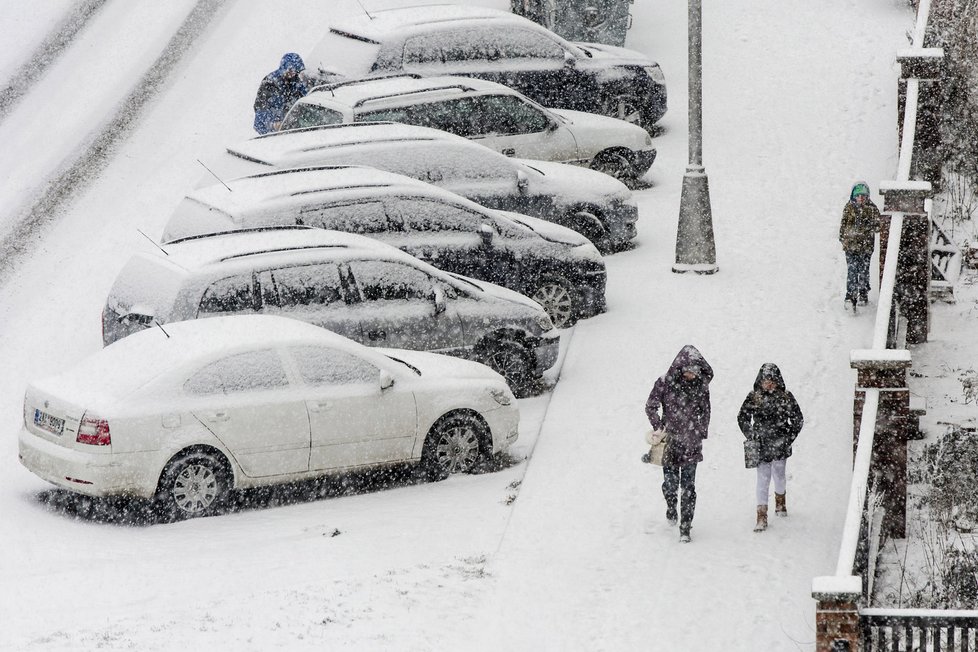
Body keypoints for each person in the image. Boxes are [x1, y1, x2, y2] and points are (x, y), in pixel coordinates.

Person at [644, 345, 714, 543]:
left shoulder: (701, 387)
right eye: (688, 370)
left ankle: (685, 527)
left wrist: (700, 431)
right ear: (681, 368)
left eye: (695, 371)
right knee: (670, 484)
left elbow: (706, 411)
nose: (692, 374)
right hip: (671, 442)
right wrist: (659, 427)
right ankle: (671, 505)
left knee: (689, 487)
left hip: (692, 443)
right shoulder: (665, 382)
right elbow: (651, 406)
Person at [737, 363, 804, 532]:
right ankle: (761, 515)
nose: (769, 384)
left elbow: (798, 418)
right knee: (762, 478)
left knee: (779, 474)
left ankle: (780, 503)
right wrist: (751, 435)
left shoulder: (786, 397)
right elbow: (742, 417)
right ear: (760, 380)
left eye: (772, 380)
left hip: (780, 443)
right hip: (761, 444)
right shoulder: (754, 397)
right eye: (766, 380)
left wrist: (788, 437)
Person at [839, 181, 881, 308]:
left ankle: (863, 293)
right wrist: (843, 237)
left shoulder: (872, 209)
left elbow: (878, 225)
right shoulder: (849, 208)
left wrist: (870, 226)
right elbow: (844, 224)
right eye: (858, 196)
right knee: (852, 271)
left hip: (866, 247)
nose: (860, 198)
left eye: (863, 196)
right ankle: (850, 296)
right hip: (851, 246)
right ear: (853, 196)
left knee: (863, 271)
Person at [253, 53, 309, 135]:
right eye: (290, 71)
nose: (293, 74)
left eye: (296, 72)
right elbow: (260, 111)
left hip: (290, 129)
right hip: (270, 133)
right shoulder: (270, 83)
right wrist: (273, 124)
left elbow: (305, 98)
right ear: (284, 68)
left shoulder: (297, 81)